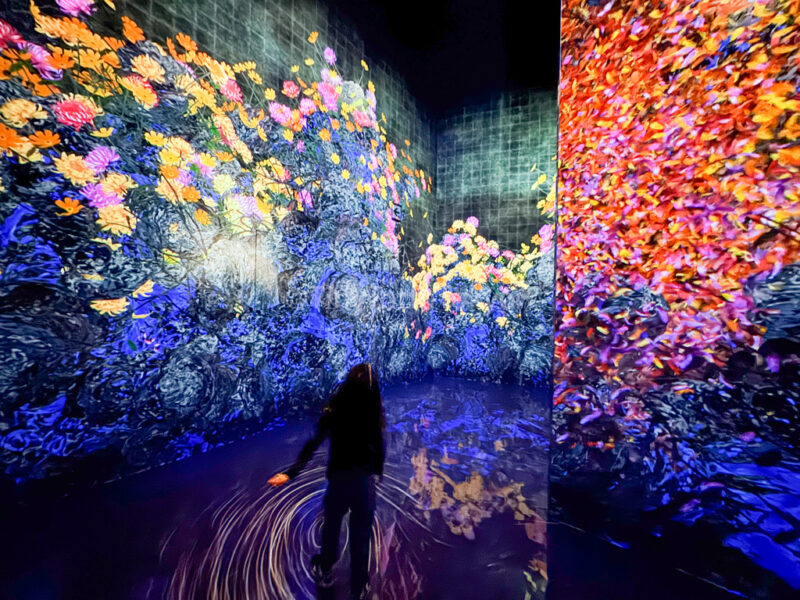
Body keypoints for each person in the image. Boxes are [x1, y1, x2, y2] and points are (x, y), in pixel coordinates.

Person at [269, 363, 386, 600]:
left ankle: (325, 569)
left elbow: (314, 443)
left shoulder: (336, 411)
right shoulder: (373, 412)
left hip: (339, 482)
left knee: (331, 528)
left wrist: (292, 473)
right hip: (363, 485)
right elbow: (380, 446)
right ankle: (359, 586)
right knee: (361, 537)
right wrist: (377, 471)